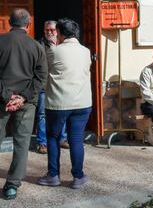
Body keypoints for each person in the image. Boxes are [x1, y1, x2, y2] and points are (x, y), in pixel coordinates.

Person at [0, 8, 47, 200]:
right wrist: (22, 97)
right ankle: (12, 186)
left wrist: (7, 96)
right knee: (22, 142)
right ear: (28, 25)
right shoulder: (36, 46)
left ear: (10, 23)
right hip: (26, 103)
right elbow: (41, 77)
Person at [37, 18, 92, 189]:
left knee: (52, 138)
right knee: (76, 139)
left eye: (57, 32)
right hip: (82, 103)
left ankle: (53, 175)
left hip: (58, 103)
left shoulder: (53, 51)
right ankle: (78, 177)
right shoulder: (86, 51)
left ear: (60, 33)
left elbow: (44, 72)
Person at [35, 20, 69, 154]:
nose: (49, 32)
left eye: (52, 30)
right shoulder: (39, 45)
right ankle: (42, 143)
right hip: (45, 86)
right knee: (42, 115)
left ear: (57, 31)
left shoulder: (64, 45)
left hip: (62, 86)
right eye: (46, 30)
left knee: (63, 113)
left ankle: (62, 139)